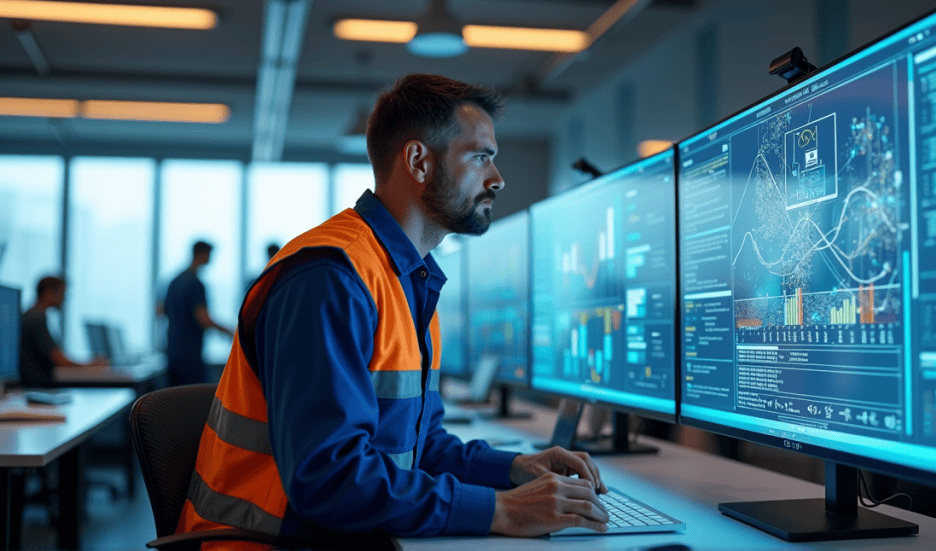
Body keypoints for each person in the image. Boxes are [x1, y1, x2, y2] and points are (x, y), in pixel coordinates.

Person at [180, 74, 611, 549]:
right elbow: (329, 481)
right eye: (480, 156)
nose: (497, 178)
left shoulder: (408, 279)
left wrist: (512, 469)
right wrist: (502, 509)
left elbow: (416, 445)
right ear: (419, 161)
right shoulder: (331, 279)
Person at [162, 240, 232, 385]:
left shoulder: (174, 281)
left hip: (172, 350)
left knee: (175, 399)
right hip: (190, 354)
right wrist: (228, 331)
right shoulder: (195, 284)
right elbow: (203, 319)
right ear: (202, 254)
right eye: (209, 255)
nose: (211, 259)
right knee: (194, 400)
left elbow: (161, 311)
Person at [19, 275, 107, 387]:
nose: (64, 299)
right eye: (62, 294)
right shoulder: (36, 319)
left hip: (37, 387)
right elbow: (61, 362)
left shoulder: (31, 315)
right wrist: (91, 365)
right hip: (39, 387)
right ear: (48, 293)